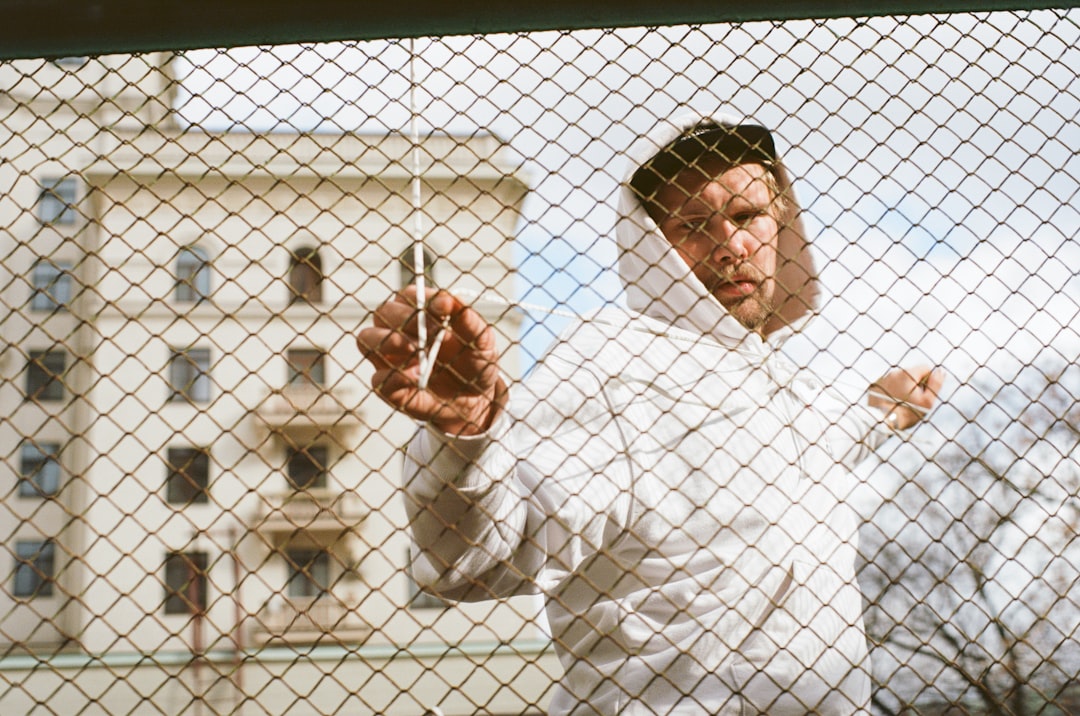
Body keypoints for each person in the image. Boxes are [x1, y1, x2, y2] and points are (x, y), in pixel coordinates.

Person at [358, 113, 942, 715]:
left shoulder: (782, 385)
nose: (730, 246)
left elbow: (835, 432)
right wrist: (466, 435)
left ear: (781, 225)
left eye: (746, 216)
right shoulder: (610, 367)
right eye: (692, 224)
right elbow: (483, 555)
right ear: (651, 245)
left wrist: (889, 407)